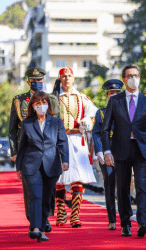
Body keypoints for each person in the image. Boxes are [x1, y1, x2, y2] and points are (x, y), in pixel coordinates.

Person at [101, 63, 146, 238]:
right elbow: (105, 128)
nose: (134, 78)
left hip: (142, 150)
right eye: (130, 75)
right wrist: (107, 151)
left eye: (136, 75)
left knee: (141, 186)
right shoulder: (115, 100)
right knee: (123, 187)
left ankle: (143, 222)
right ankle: (125, 223)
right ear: (124, 80)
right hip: (120, 149)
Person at [9, 67, 60, 233]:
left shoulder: (51, 99)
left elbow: (56, 126)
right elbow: (12, 129)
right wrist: (15, 152)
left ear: (44, 81)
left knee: (48, 190)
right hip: (28, 152)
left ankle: (44, 217)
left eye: (39, 80)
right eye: (33, 80)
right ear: (28, 82)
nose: (37, 83)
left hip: (48, 152)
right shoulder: (19, 101)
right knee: (31, 190)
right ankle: (34, 220)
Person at [16, 91, 69, 242]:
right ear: (33, 106)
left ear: (48, 104)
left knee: (46, 198)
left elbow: (63, 142)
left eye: (44, 102)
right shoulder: (27, 123)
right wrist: (19, 167)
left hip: (51, 165)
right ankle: (36, 228)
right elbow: (22, 147)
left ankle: (42, 227)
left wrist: (65, 160)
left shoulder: (56, 122)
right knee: (35, 195)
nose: (41, 106)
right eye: (37, 103)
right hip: (30, 165)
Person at [55, 67, 98, 228]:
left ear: (73, 78)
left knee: (77, 177)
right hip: (58, 140)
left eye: (69, 76)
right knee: (58, 178)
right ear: (60, 78)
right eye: (64, 76)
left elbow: (92, 114)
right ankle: (60, 212)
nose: (67, 78)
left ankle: (75, 214)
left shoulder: (81, 97)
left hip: (76, 139)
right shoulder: (54, 97)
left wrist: (86, 121)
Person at [92, 79, 123, 230]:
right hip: (107, 152)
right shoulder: (101, 113)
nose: (114, 96)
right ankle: (112, 219)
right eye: (112, 93)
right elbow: (96, 133)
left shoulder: (127, 111)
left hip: (123, 152)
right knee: (110, 186)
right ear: (106, 95)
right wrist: (100, 152)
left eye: (117, 93)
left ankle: (125, 218)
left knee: (123, 186)